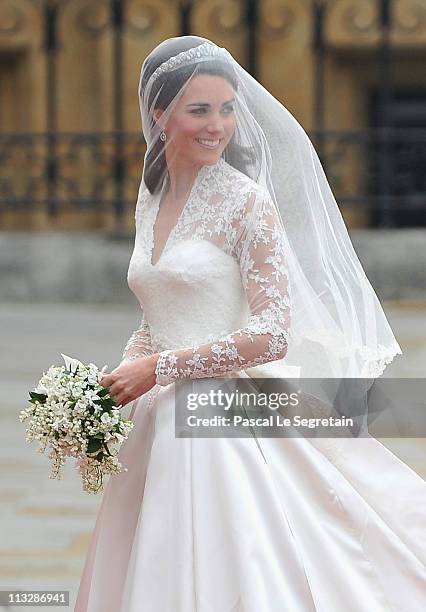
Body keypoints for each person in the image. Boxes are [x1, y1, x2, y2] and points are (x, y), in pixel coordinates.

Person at [74, 36, 426, 611]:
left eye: (227, 108)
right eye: (200, 110)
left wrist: (157, 368)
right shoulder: (151, 193)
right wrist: (115, 382)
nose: (218, 126)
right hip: (155, 413)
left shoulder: (247, 202)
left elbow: (271, 333)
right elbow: (156, 311)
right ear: (159, 115)